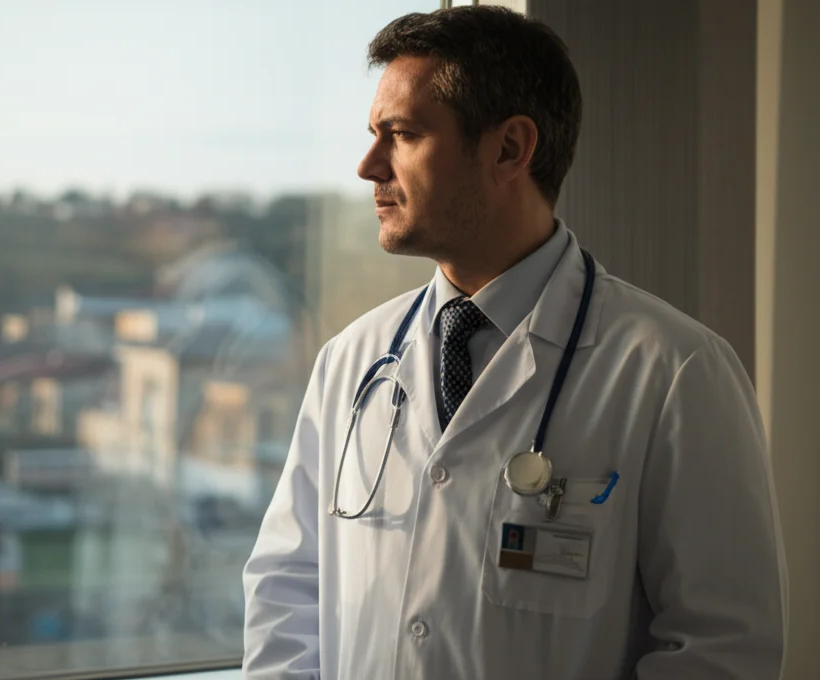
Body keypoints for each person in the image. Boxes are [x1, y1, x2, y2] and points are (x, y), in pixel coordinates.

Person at [242, 6, 787, 680]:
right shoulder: (352, 359)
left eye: (402, 134)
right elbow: (287, 588)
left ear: (508, 149)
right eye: (372, 135)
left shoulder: (675, 370)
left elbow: (723, 649)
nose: (367, 165)